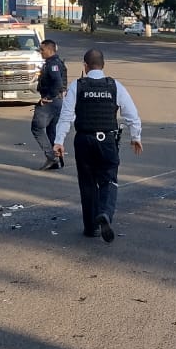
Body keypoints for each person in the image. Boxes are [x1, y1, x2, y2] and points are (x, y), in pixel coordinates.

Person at [52, 48, 143, 242]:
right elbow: (131, 115)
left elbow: (66, 116)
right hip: (107, 141)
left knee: (87, 184)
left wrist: (59, 141)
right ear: (103, 65)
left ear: (85, 66)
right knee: (109, 180)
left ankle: (91, 227)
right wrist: (136, 137)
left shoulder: (78, 86)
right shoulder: (115, 86)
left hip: (84, 141)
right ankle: (105, 214)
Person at [31, 38, 67, 170]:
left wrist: (47, 97)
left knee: (36, 127)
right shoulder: (56, 62)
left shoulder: (52, 64)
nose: (40, 52)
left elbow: (57, 83)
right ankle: (57, 160)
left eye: (42, 49)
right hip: (58, 101)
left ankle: (52, 157)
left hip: (51, 102)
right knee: (52, 131)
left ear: (50, 50)